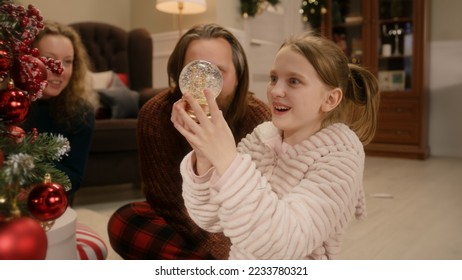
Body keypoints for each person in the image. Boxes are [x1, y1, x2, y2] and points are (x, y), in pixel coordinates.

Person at [171, 31, 380, 259]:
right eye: (273, 79)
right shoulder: (262, 137)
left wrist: (228, 162)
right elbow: (210, 218)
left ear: (330, 99)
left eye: (294, 81)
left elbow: (284, 246)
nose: (275, 91)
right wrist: (204, 159)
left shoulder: (341, 157)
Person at [107, 24, 271, 259]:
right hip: (182, 218)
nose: (205, 87)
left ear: (238, 78)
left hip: (243, 223)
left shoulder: (258, 118)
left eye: (218, 73)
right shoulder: (155, 115)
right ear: (178, 75)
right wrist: (224, 256)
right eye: (195, 72)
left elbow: (261, 205)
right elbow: (169, 202)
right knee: (124, 221)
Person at [22, 21, 98, 200]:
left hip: (50, 205)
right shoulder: (9, 103)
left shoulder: (82, 112)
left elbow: (74, 178)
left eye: (68, 62)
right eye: (50, 60)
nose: (60, 70)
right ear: (28, 59)